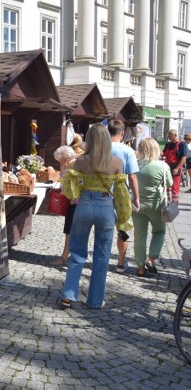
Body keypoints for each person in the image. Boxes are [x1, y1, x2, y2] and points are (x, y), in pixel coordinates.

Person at [59, 123, 131, 309]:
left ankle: (68, 295)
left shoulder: (81, 161)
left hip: (84, 205)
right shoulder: (117, 162)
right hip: (106, 207)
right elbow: (122, 195)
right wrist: (123, 219)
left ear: (89, 140)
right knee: (102, 255)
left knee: (76, 252)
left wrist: (78, 192)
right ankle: (95, 300)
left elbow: (69, 188)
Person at [133, 137, 173, 277]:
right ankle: (151, 259)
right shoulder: (162, 166)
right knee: (159, 232)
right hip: (156, 205)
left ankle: (140, 267)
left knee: (139, 236)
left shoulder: (135, 164)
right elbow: (169, 183)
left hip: (138, 204)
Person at [107, 120, 140, 273]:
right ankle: (121, 262)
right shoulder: (127, 151)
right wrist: (136, 197)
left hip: (101, 191)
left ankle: (102, 259)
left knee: (103, 227)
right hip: (121, 192)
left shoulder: (101, 148)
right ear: (122, 133)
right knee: (123, 228)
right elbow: (132, 176)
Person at [49, 133, 84, 267]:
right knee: (70, 230)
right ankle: (69, 255)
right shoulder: (72, 164)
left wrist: (67, 192)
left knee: (70, 230)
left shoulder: (74, 166)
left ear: (65, 158)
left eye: (61, 160)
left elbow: (78, 184)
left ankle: (66, 257)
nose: (61, 163)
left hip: (75, 202)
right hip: (74, 201)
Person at [163, 128, 189, 203]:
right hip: (167, 167)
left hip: (175, 167)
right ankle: (167, 202)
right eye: (168, 135)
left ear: (175, 135)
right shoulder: (168, 144)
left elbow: (183, 157)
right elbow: (163, 154)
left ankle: (174, 204)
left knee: (175, 186)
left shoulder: (182, 144)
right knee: (166, 186)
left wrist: (177, 168)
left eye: (170, 135)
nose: (168, 137)